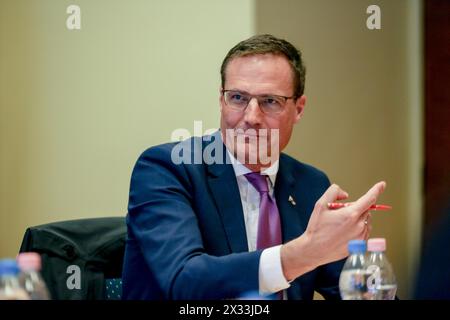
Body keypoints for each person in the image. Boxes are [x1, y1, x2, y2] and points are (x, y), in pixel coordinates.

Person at [121, 34, 386, 300]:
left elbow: (350, 290)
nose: (251, 117)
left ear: (299, 109)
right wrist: (300, 255)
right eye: (237, 97)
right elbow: (184, 281)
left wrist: (369, 281)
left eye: (270, 101)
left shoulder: (311, 184)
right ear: (221, 100)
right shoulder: (167, 168)